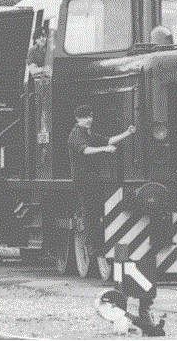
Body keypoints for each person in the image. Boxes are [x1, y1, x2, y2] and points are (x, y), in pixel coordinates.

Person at [68, 104, 135, 254]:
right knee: (90, 211)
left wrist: (127, 133)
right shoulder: (76, 134)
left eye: (90, 116)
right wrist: (104, 149)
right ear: (78, 119)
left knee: (97, 210)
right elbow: (85, 150)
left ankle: (97, 243)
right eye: (85, 117)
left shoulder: (89, 133)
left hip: (92, 177)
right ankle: (91, 245)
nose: (89, 120)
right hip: (83, 178)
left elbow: (109, 140)